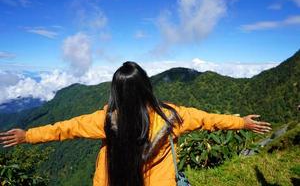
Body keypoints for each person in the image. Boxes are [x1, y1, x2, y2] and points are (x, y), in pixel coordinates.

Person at [0, 61, 271, 186]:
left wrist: (27, 136)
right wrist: (241, 123)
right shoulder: (171, 116)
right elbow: (208, 120)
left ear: (116, 92)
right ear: (146, 88)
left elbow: (65, 128)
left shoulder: (105, 119)